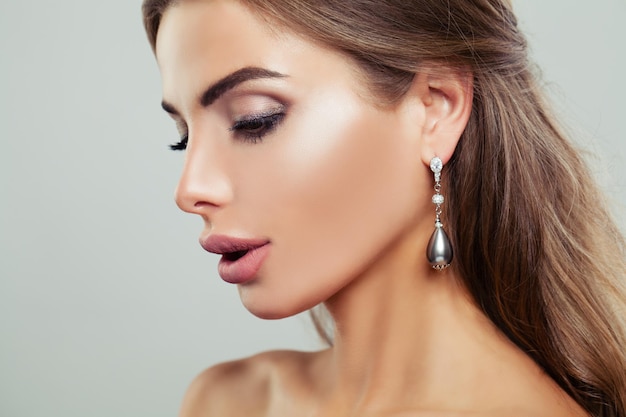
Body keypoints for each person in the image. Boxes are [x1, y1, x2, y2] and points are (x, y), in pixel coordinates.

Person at [141, 0, 626, 415]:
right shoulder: (227, 401)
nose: (191, 189)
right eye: (183, 139)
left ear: (435, 107)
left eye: (254, 120)